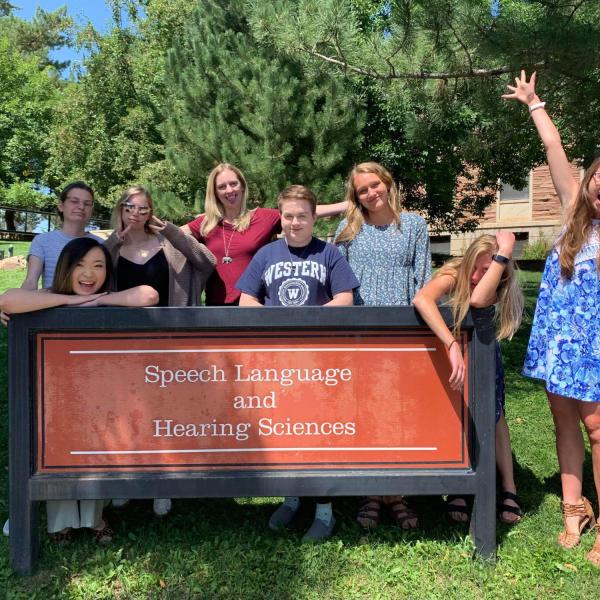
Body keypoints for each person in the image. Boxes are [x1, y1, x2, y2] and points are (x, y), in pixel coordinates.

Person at [0, 237, 158, 543]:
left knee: (96, 447)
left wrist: (98, 300)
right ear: (66, 268)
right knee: (56, 449)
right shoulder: (49, 297)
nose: (89, 274)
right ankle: (61, 523)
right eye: (80, 265)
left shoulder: (109, 297)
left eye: (98, 265)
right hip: (56, 397)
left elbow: (149, 295)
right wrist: (69, 300)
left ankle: (94, 518)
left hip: (100, 398)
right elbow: (7, 300)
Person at [502, 71, 600, 564]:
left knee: (598, 428)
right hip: (560, 340)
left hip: (596, 346)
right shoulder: (569, 213)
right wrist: (535, 102)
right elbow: (554, 147)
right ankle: (572, 508)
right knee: (562, 420)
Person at [237, 184, 359, 541]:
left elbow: (345, 299)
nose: (294, 222)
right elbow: (246, 300)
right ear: (282, 218)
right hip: (278, 360)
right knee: (284, 430)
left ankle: (324, 510)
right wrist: (276, 324)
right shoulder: (267, 254)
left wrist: (308, 320)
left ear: (313, 216)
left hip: (320, 362)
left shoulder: (329, 254)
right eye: (288, 216)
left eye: (302, 216)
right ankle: (291, 496)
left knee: (319, 433)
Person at [104, 185, 216, 516]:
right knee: (127, 415)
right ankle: (127, 480)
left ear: (151, 211)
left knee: (165, 416)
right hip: (122, 347)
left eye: (143, 208)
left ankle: (162, 483)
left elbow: (206, 262)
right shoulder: (111, 247)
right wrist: (114, 239)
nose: (136, 214)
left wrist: (169, 229)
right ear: (121, 209)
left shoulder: (169, 243)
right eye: (129, 207)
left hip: (168, 344)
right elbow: (87, 272)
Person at [335, 161, 432, 530]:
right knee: (366, 412)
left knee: (400, 412)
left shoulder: (414, 226)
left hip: (403, 332)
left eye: (375, 185)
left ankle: (398, 491)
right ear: (355, 196)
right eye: (363, 190)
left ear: (388, 184)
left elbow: (424, 278)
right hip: (361, 334)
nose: (371, 193)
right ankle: (371, 491)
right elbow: (338, 286)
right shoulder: (347, 230)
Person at [413, 232, 524, 524]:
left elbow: (477, 299)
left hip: (483, 350)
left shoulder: (498, 278)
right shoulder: (453, 273)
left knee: (495, 412)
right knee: (455, 411)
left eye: (486, 270)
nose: (476, 276)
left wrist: (505, 252)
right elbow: (422, 299)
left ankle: (508, 486)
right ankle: (460, 483)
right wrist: (450, 344)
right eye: (474, 267)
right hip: (454, 351)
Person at [182, 163, 347, 305]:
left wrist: (347, 205)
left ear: (243, 186)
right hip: (216, 303)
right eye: (222, 186)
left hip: (253, 303)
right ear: (215, 192)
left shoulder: (263, 217)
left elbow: (300, 211)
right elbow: (174, 235)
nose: (229, 190)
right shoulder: (206, 222)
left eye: (234, 184)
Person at [0, 181, 101, 325]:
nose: (81, 207)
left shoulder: (101, 244)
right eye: (74, 201)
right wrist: (17, 303)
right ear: (61, 205)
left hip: (91, 314)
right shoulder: (42, 241)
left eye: (87, 203)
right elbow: (31, 281)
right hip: (52, 312)